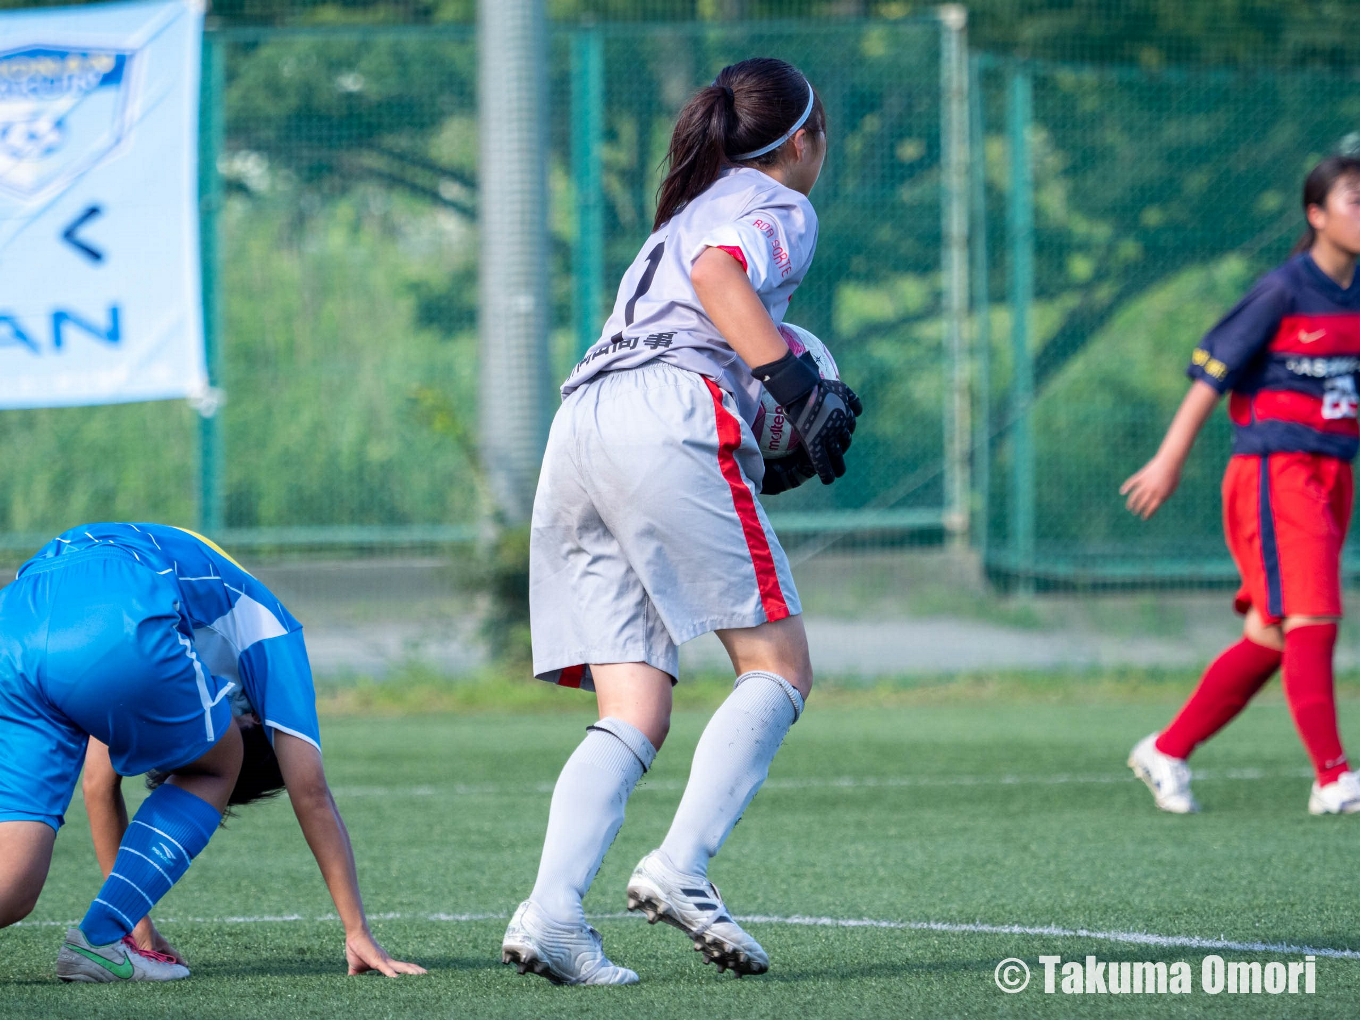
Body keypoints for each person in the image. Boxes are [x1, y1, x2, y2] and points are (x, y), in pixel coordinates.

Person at [500, 57, 862, 986]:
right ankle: (681, 866)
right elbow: (719, 276)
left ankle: (551, 913)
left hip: (583, 423)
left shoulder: (683, 210)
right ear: (802, 140)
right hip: (669, 413)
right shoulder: (776, 201)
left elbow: (696, 277)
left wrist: (762, 425)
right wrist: (790, 384)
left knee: (636, 708)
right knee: (778, 667)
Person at [0, 523, 426, 982]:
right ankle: (101, 939)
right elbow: (312, 793)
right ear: (255, 721)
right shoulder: (273, 628)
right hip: (116, 600)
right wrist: (356, 929)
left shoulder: (177, 645)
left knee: (15, 883)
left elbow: (98, 784)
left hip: (18, 612)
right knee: (219, 764)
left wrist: (137, 926)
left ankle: (106, 940)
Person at [1122, 155, 1360, 815]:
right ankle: (1333, 778)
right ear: (1316, 215)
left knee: (1272, 636)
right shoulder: (1283, 289)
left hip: (1334, 472)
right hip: (1277, 472)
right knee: (1313, 614)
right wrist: (1169, 459)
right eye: (1355, 200)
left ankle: (1167, 749)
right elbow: (1210, 375)